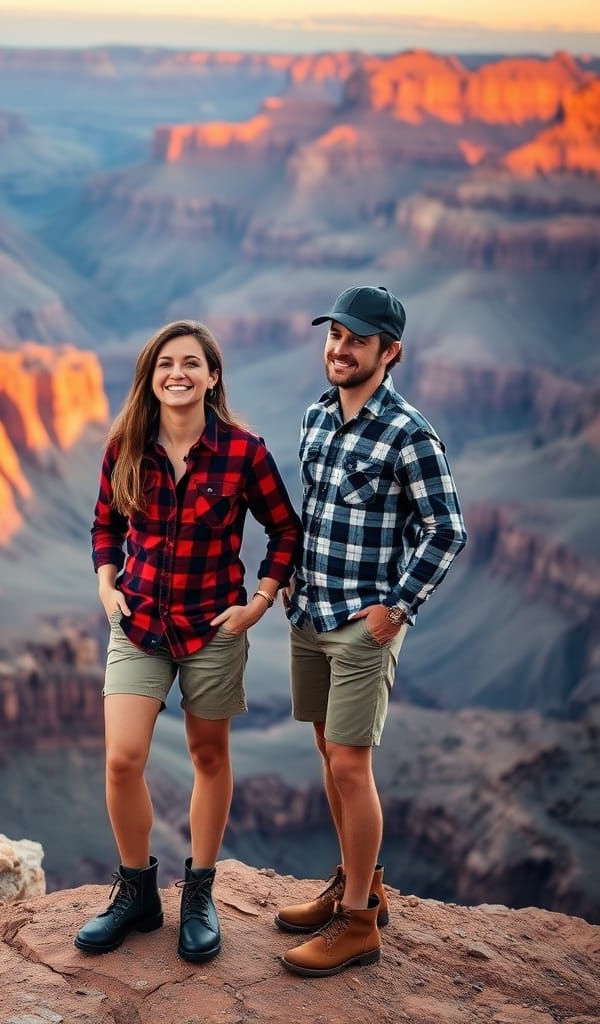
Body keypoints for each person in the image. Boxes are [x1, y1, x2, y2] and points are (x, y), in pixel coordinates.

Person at [76, 319, 301, 963]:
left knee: (208, 757)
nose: (178, 374)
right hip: (139, 623)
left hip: (213, 627)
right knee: (122, 758)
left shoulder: (244, 452)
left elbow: (284, 530)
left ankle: (198, 892)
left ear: (212, 375)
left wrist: (258, 603)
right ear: (150, 377)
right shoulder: (125, 446)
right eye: (165, 364)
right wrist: (105, 583)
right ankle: (136, 893)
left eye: (191, 363)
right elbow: (103, 523)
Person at [277, 285, 467, 977]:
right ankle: (358, 886)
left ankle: (358, 924)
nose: (340, 348)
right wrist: (293, 575)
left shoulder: (409, 433)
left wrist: (397, 608)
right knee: (330, 755)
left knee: (351, 766)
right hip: (311, 614)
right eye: (334, 334)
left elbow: (447, 529)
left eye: (357, 339)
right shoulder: (316, 418)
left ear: (390, 353)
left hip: (363, 626)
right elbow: (315, 510)